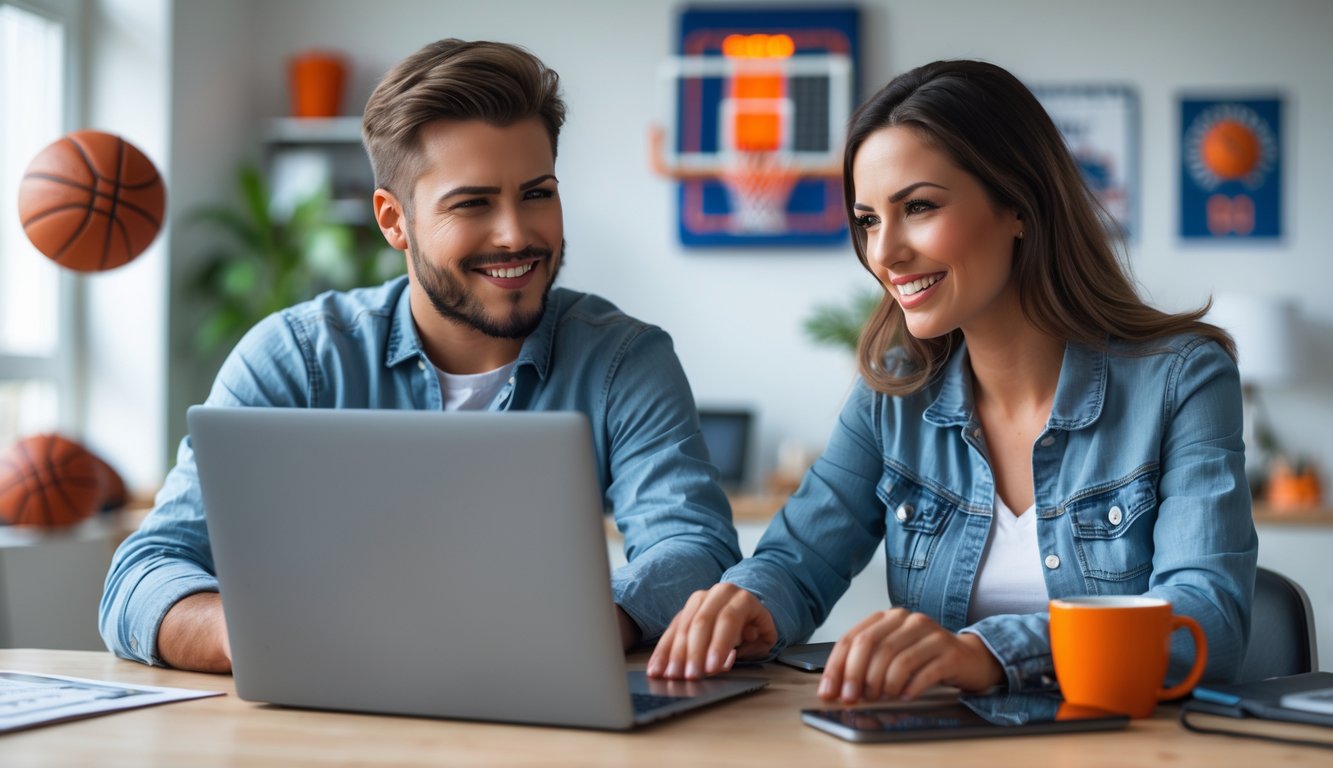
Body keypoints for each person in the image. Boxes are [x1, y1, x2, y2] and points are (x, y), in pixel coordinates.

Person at [100, 39, 741, 672]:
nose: (517, 233)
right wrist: (254, 635)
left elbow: (693, 548)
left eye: (538, 193)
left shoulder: (624, 360)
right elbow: (141, 575)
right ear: (393, 219)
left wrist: (576, 627)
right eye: (472, 203)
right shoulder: (295, 358)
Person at [647, 59, 1256, 703]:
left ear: (1019, 205)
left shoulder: (1183, 378)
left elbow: (1202, 619)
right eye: (868, 219)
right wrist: (750, 604)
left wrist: (986, 653)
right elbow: (799, 560)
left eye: (918, 207)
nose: (884, 254)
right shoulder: (894, 394)